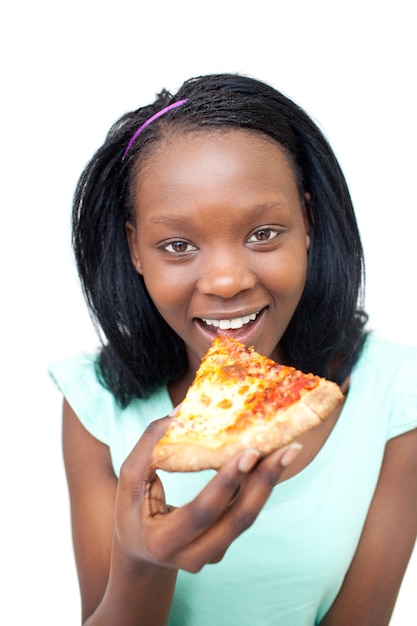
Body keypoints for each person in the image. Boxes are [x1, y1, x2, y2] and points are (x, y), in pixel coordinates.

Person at [49, 73, 417, 625]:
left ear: (309, 222)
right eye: (178, 245)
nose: (225, 280)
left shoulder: (396, 393)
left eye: (263, 233)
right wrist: (140, 562)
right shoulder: (94, 404)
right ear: (135, 250)